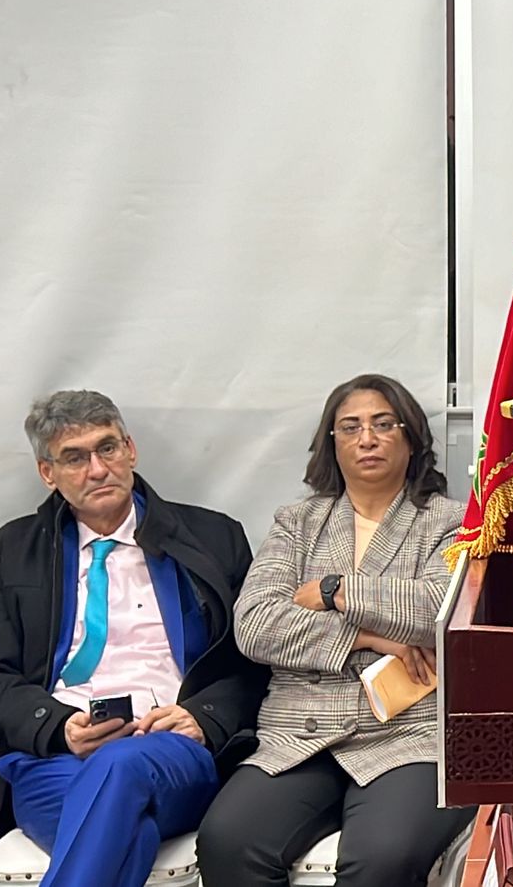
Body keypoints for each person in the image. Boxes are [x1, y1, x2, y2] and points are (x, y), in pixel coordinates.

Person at [0, 390, 266, 886]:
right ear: (47, 473)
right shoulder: (15, 549)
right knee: (128, 830)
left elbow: (254, 662)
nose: (98, 469)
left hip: (170, 748)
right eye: (74, 458)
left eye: (107, 448)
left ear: (130, 449)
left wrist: (203, 716)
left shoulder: (213, 538)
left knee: (121, 767)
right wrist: (59, 727)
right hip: (54, 759)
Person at [197, 374, 471, 886]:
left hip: (410, 735)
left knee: (382, 858)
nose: (367, 438)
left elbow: (439, 609)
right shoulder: (297, 522)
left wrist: (333, 590)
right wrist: (366, 637)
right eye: (350, 427)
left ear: (411, 438)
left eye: (384, 424)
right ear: (333, 443)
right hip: (299, 733)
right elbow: (255, 625)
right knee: (227, 841)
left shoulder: (451, 523)